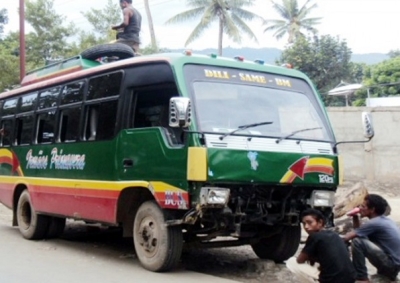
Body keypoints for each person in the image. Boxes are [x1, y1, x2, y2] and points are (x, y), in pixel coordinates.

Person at [286, 208, 356, 283]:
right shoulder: (335, 235)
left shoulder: (315, 236)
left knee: (291, 262)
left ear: (320, 222)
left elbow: (299, 260)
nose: (306, 226)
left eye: (309, 222)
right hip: (351, 279)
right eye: (304, 223)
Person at [343, 194, 400, 282]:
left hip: (391, 264)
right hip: (395, 265)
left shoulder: (374, 223)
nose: (360, 208)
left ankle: (361, 277)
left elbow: (347, 238)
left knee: (357, 242)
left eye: (363, 206)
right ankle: (388, 277)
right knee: (360, 239)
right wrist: (355, 217)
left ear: (372, 209)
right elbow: (359, 231)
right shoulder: (385, 220)